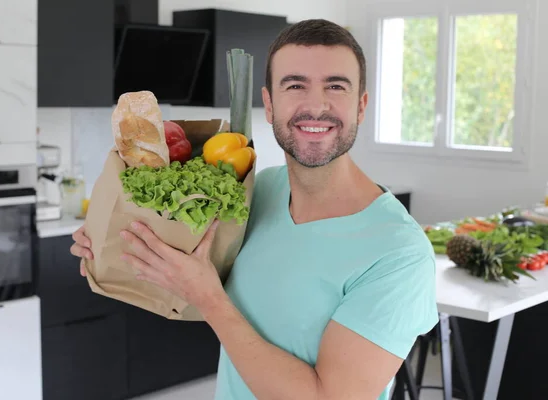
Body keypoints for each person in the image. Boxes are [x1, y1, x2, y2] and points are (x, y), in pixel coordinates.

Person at [70, 19, 438, 400]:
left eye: (335, 86)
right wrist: (112, 239)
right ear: (268, 105)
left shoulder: (398, 253)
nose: (315, 105)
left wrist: (210, 299)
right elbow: (183, 276)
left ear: (361, 106)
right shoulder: (259, 191)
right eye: (295, 86)